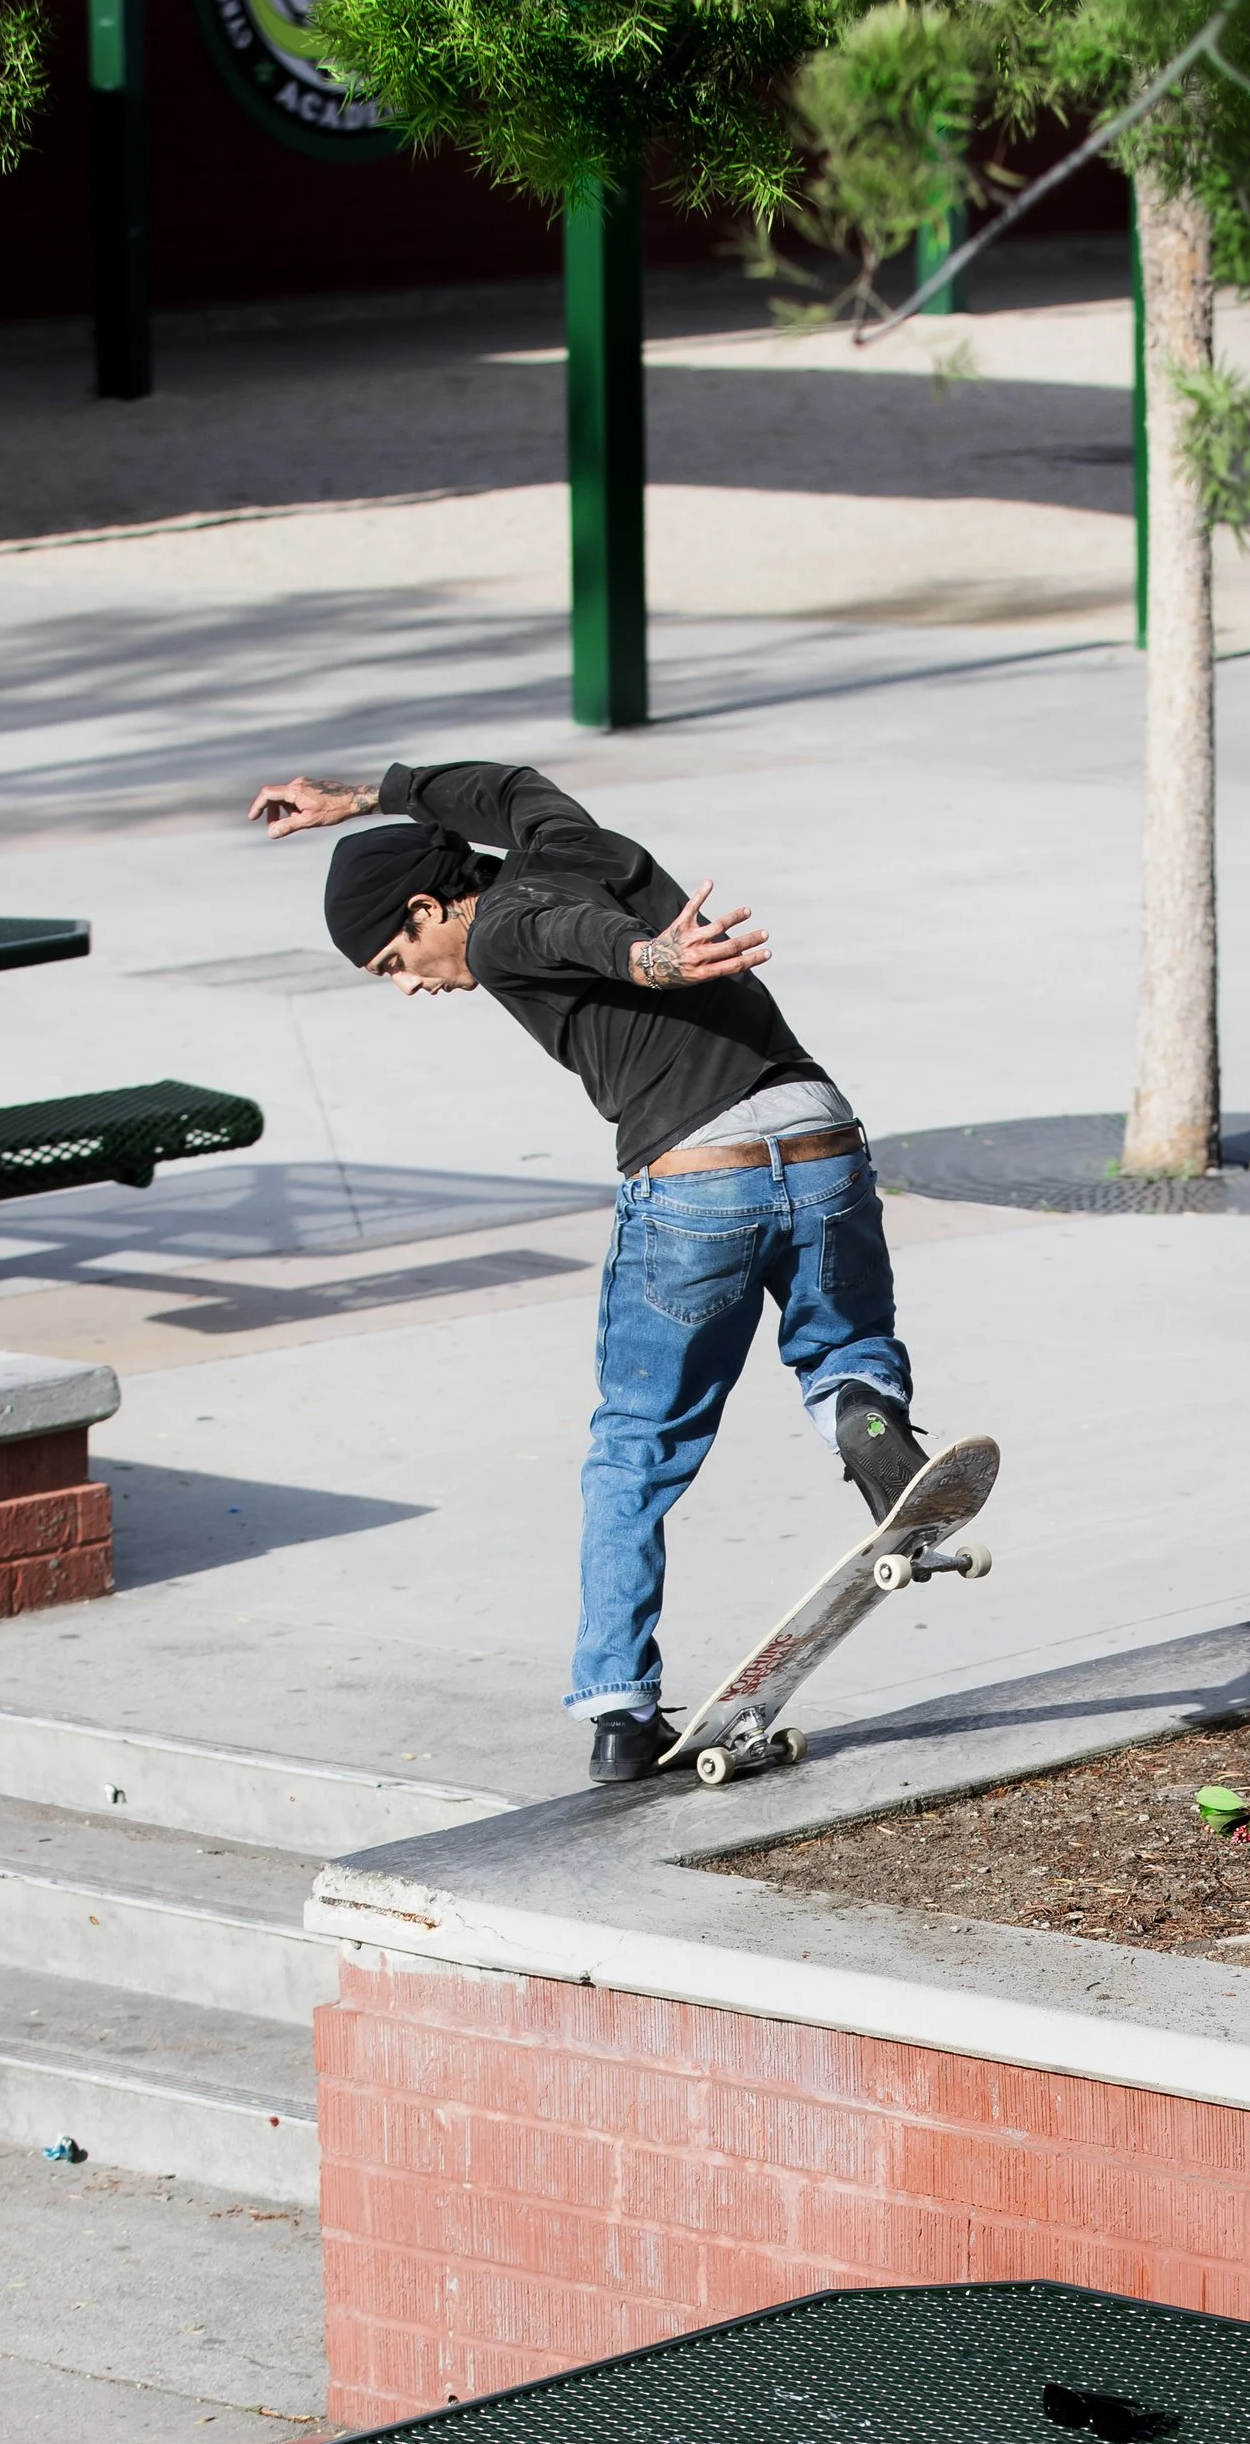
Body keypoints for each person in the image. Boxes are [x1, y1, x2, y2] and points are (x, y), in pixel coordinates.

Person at [249, 760, 930, 1782]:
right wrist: (362, 796)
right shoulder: (563, 840)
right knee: (845, 1347)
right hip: (818, 1129)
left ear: (432, 906)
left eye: (399, 957)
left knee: (636, 1443)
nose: (411, 985)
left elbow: (574, 940)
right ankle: (867, 1424)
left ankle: (617, 1707)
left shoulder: (499, 926)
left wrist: (651, 960)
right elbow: (507, 784)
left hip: (700, 1171)